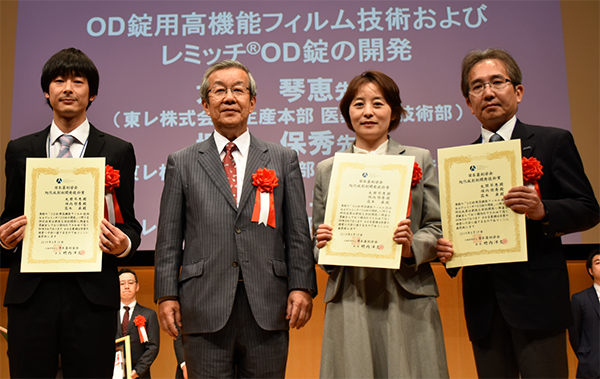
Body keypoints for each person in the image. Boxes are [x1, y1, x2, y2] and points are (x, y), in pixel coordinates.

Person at [436, 48, 600, 379]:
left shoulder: (552, 142)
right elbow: (454, 229)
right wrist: (447, 250)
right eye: (478, 86)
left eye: (498, 81)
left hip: (538, 302)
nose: (489, 92)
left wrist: (543, 211)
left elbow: (588, 209)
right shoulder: (459, 162)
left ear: (518, 91)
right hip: (484, 305)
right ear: (469, 103)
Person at [154, 59, 317, 378]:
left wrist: (302, 286)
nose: (229, 98)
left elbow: (298, 232)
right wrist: (166, 294)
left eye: (238, 90)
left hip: (268, 304)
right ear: (205, 104)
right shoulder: (182, 162)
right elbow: (169, 237)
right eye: (219, 91)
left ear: (253, 101)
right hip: (203, 305)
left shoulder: (283, 159)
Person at [0, 47, 142, 379]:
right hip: (31, 295)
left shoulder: (118, 150)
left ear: (91, 94)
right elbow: (8, 216)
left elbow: (131, 224)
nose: (67, 88)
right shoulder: (20, 150)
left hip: (92, 296)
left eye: (78, 81)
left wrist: (123, 244)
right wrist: (5, 239)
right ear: (46, 92)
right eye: (59, 80)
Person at [313, 71, 449, 379]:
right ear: (348, 112)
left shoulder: (418, 158)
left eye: (378, 103)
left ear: (394, 111)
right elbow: (316, 243)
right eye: (359, 104)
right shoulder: (327, 169)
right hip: (351, 292)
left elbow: (437, 226)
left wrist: (411, 247)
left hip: (407, 291)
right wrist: (322, 245)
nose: (368, 112)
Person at [117, 268, 160, 379]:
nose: (126, 286)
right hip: (114, 373)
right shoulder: (109, 315)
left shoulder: (149, 314)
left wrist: (138, 370)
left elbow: (153, 346)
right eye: (122, 283)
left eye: (131, 283)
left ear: (137, 287)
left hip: (140, 375)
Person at [569, 250, 600, 379]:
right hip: (591, 368)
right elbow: (575, 335)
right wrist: (586, 356)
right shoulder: (579, 299)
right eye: (598, 262)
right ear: (590, 271)